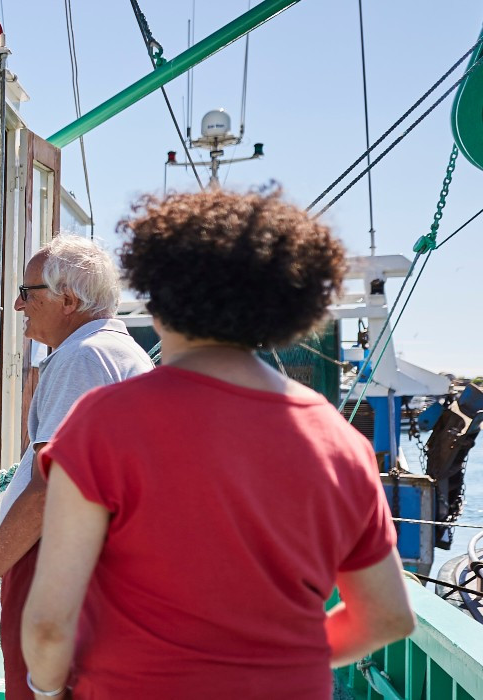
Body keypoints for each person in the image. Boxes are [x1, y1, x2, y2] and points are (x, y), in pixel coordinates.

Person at [22, 187, 415, 698]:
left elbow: (50, 624)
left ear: (160, 295)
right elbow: (387, 616)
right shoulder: (339, 442)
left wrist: (49, 691)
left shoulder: (103, 422)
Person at [0, 234, 152, 697]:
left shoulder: (83, 357)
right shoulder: (118, 353)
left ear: (69, 300)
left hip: (59, 567)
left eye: (27, 293)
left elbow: (50, 488)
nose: (18, 306)